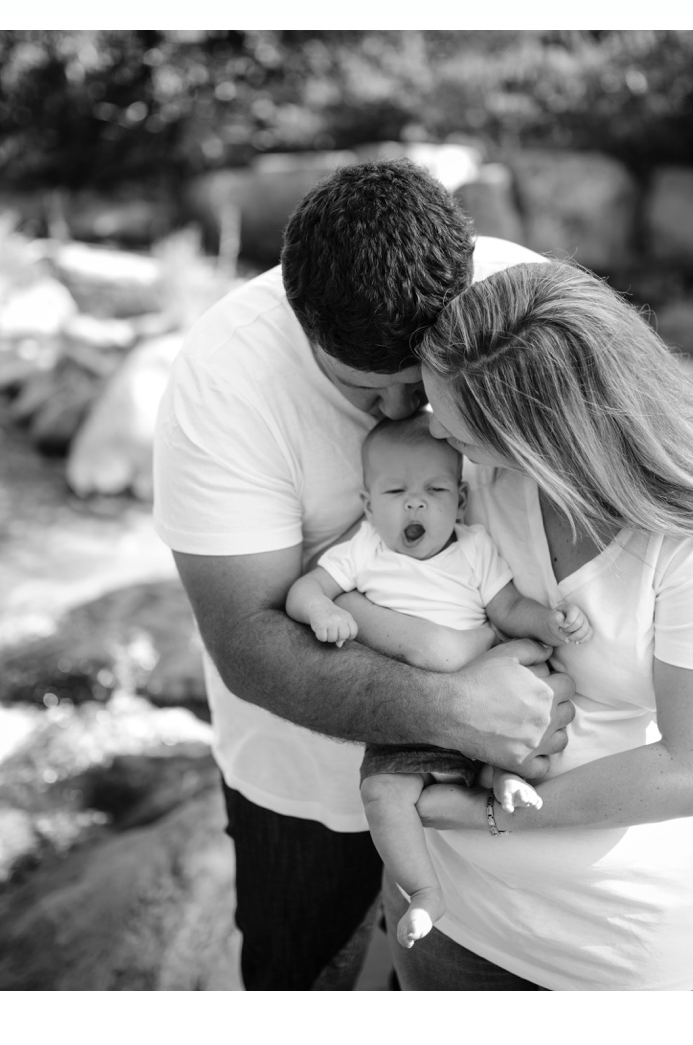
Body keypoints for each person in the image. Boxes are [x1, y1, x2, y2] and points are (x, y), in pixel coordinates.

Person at [152, 159, 572, 989]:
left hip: (523, 764)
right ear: (303, 325)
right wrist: (450, 703)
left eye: (417, 383)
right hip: (306, 798)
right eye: (361, 389)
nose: (399, 414)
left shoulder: (524, 307)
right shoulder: (224, 379)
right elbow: (246, 641)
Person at [346, 257, 693, 989]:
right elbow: (420, 593)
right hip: (449, 923)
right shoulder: (491, 481)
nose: (438, 444)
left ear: (541, 436)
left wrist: (478, 812)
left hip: (617, 958)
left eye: (458, 435)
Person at [285, 414, 590, 950]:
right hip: (407, 719)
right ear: (368, 504)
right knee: (380, 793)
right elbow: (302, 591)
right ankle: (424, 891)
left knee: (523, 691)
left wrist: (549, 622)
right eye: (397, 491)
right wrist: (320, 612)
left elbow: (509, 606)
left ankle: (504, 778)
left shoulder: (474, 549)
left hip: (486, 706)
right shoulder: (363, 550)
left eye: (435, 490)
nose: (416, 504)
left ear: (462, 503)